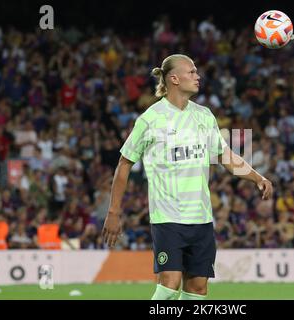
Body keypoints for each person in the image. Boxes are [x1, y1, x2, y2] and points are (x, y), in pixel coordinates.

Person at [101, 54, 273, 300]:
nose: (197, 76)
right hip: (168, 217)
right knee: (170, 285)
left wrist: (258, 178)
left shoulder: (204, 116)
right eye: (191, 72)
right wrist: (113, 212)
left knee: (198, 289)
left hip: (201, 218)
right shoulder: (151, 119)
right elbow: (124, 164)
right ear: (174, 78)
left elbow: (226, 156)